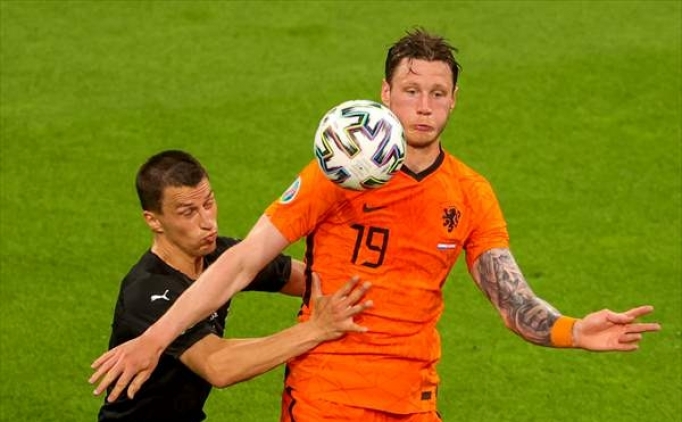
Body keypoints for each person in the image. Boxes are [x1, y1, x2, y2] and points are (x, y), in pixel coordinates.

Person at [89, 29, 661, 421]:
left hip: (414, 397)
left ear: (454, 101)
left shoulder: (470, 193)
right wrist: (156, 338)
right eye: (411, 91)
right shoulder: (336, 173)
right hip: (329, 395)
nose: (423, 106)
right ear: (386, 94)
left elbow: (511, 299)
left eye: (437, 93)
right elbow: (240, 262)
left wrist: (572, 330)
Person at [93, 150, 372, 422]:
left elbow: (301, 278)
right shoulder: (148, 292)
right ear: (153, 220)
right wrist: (315, 329)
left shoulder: (220, 257)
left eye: (208, 203)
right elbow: (219, 366)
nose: (207, 223)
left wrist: (371, 290)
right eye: (188, 212)